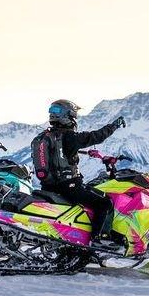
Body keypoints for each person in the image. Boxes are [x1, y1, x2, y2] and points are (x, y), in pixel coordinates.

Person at [32, 99, 126, 243]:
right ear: (69, 116)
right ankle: (100, 239)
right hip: (70, 187)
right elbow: (96, 136)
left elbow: (60, 154)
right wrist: (114, 126)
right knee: (105, 203)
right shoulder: (70, 137)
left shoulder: (46, 136)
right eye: (74, 115)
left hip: (48, 187)